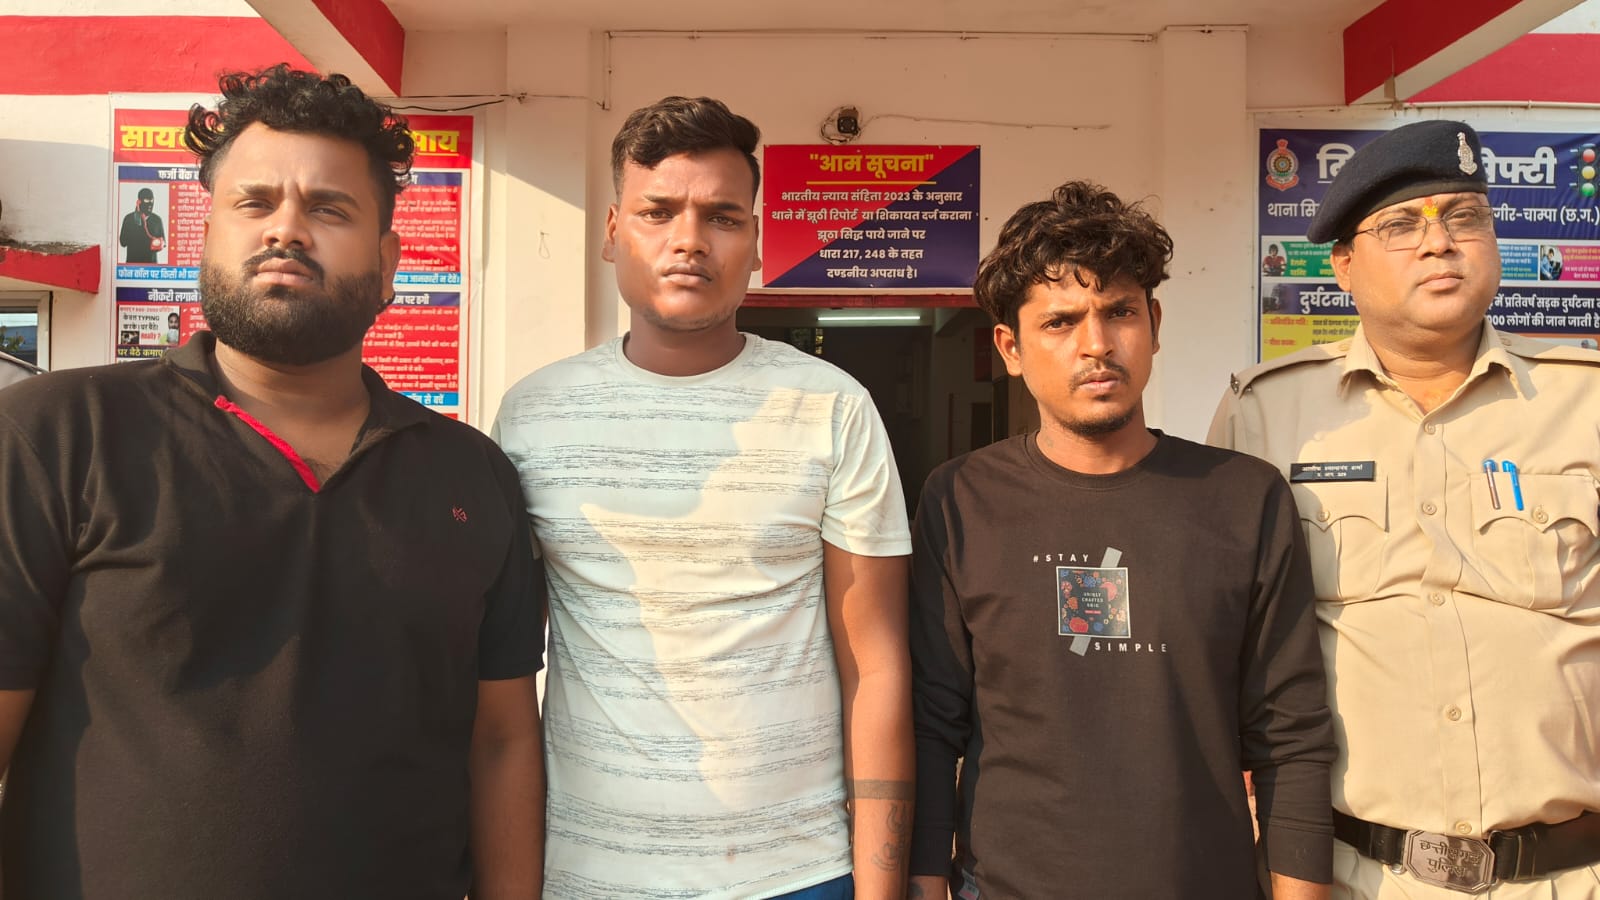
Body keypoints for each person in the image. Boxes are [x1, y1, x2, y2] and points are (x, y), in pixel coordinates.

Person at [0, 65, 546, 900]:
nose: (286, 230)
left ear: (388, 262)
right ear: (206, 237)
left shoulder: (471, 475)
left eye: (329, 209)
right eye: (254, 204)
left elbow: (501, 740)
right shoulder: (60, 434)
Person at [494, 96, 914, 899]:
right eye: (658, 213)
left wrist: (880, 887)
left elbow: (877, 665)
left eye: (722, 217)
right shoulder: (532, 415)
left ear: (755, 244)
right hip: (590, 874)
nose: (689, 241)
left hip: (799, 873)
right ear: (612, 231)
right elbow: (504, 673)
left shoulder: (832, 407)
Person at [908, 181, 1335, 900]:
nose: (1097, 345)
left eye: (1120, 312)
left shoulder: (1244, 499)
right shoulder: (960, 501)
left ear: (1154, 324)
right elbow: (931, 724)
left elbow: (1291, 736)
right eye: (1060, 322)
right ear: (1011, 348)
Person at [1211, 119, 1600, 897]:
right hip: (1357, 876)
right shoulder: (1265, 416)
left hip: (1567, 876)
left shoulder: (1583, 400)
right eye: (1400, 226)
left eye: (1464, 217)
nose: (1439, 244)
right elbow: (1220, 644)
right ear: (1344, 267)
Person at [118, 186, 166, 264]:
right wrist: (136, 220)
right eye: (146, 200)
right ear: (139, 202)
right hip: (133, 265)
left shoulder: (157, 220)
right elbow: (123, 243)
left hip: (151, 265)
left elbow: (163, 243)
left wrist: (158, 243)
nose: (150, 203)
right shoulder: (129, 219)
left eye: (152, 200)